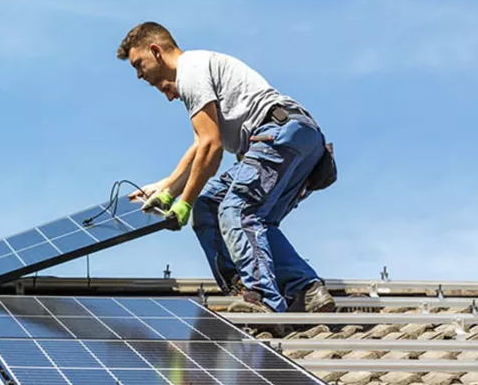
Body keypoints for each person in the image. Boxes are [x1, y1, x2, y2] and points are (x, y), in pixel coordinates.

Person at [118, 22, 336, 313]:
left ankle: (260, 298)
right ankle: (307, 289)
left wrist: (183, 203)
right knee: (212, 207)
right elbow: (199, 146)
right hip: (297, 138)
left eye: (138, 64)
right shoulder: (199, 70)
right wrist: (166, 187)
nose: (139, 75)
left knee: (236, 210)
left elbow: (212, 148)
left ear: (155, 51)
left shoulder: (190, 71)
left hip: (276, 135)